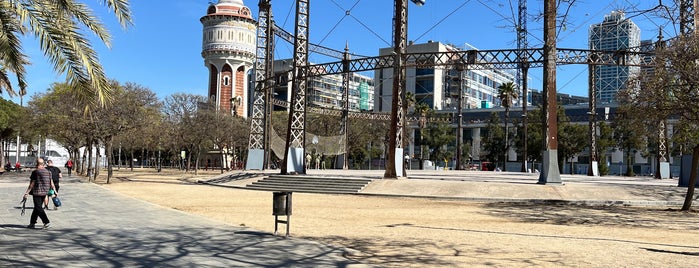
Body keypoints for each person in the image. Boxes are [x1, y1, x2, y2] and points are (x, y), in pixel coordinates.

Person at [22, 158, 56, 229]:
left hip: (37, 192)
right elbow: (51, 182)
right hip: (45, 192)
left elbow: (32, 184)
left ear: (36, 163)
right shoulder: (48, 172)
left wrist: (26, 193)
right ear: (43, 164)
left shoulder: (35, 172)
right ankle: (32, 223)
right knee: (37, 208)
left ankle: (46, 222)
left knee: (38, 207)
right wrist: (55, 190)